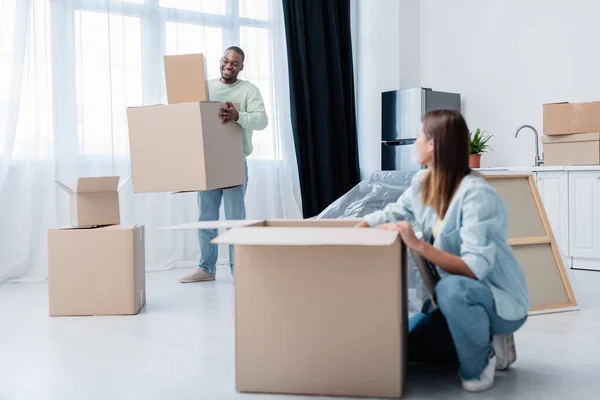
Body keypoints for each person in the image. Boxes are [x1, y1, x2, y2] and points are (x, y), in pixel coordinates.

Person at [356, 109, 529, 392]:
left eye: (419, 136)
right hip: (454, 297)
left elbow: (474, 269)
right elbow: (396, 210)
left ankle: (480, 361)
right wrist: (361, 226)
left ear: (433, 144)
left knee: (453, 291)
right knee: (406, 347)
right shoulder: (423, 183)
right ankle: (480, 336)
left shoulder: (476, 194)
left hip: (497, 298)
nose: (415, 143)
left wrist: (418, 244)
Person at [180, 46, 268, 283]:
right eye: (226, 61)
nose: (229, 66)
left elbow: (262, 120)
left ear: (241, 67)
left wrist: (238, 116)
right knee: (206, 218)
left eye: (235, 63)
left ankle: (238, 271)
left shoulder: (249, 90)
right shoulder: (205, 88)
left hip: (234, 162)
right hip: (207, 162)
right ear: (220, 61)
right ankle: (206, 269)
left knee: (234, 220)